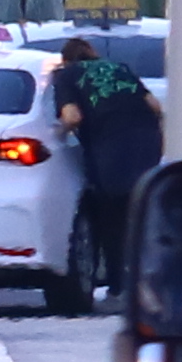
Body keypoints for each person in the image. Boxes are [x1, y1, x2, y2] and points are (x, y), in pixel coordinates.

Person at [55, 33, 160, 290]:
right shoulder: (119, 68)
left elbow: (72, 117)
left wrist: (56, 134)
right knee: (142, 205)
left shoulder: (67, 75)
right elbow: (155, 106)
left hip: (109, 146)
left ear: (65, 59)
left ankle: (117, 280)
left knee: (111, 213)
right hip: (147, 141)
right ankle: (150, 273)